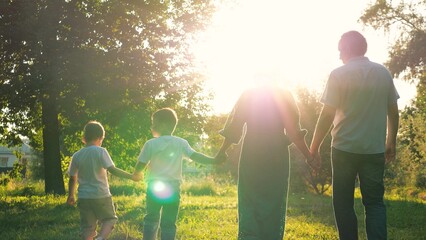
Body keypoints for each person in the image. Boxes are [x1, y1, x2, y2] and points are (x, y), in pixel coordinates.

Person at [310, 31, 399, 240]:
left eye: (340, 49)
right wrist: (390, 142)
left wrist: (313, 147)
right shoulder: (382, 73)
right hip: (374, 150)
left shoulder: (339, 74)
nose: (339, 54)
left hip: (343, 149)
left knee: (343, 203)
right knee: (375, 203)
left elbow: (326, 115)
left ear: (348, 49)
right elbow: (393, 113)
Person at [215, 77, 313, 240]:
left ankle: (249, 236)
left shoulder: (248, 95)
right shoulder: (284, 95)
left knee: (249, 197)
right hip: (276, 154)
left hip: (252, 153)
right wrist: (308, 155)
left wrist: (221, 152)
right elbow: (293, 130)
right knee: (274, 199)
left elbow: (234, 127)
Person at [131, 108, 222, 240]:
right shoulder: (181, 143)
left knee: (151, 217)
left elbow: (141, 162)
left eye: (154, 122)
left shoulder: (150, 144)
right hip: (173, 188)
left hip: (154, 186)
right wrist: (213, 160)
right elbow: (195, 156)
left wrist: (136, 173)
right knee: (169, 222)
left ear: (163, 125)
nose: (152, 126)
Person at [67, 121, 134, 240]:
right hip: (101, 194)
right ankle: (101, 238)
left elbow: (72, 178)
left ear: (84, 138)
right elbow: (112, 170)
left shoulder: (77, 155)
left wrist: (71, 195)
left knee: (88, 227)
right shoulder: (101, 151)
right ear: (100, 138)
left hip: (84, 196)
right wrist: (131, 176)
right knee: (110, 219)